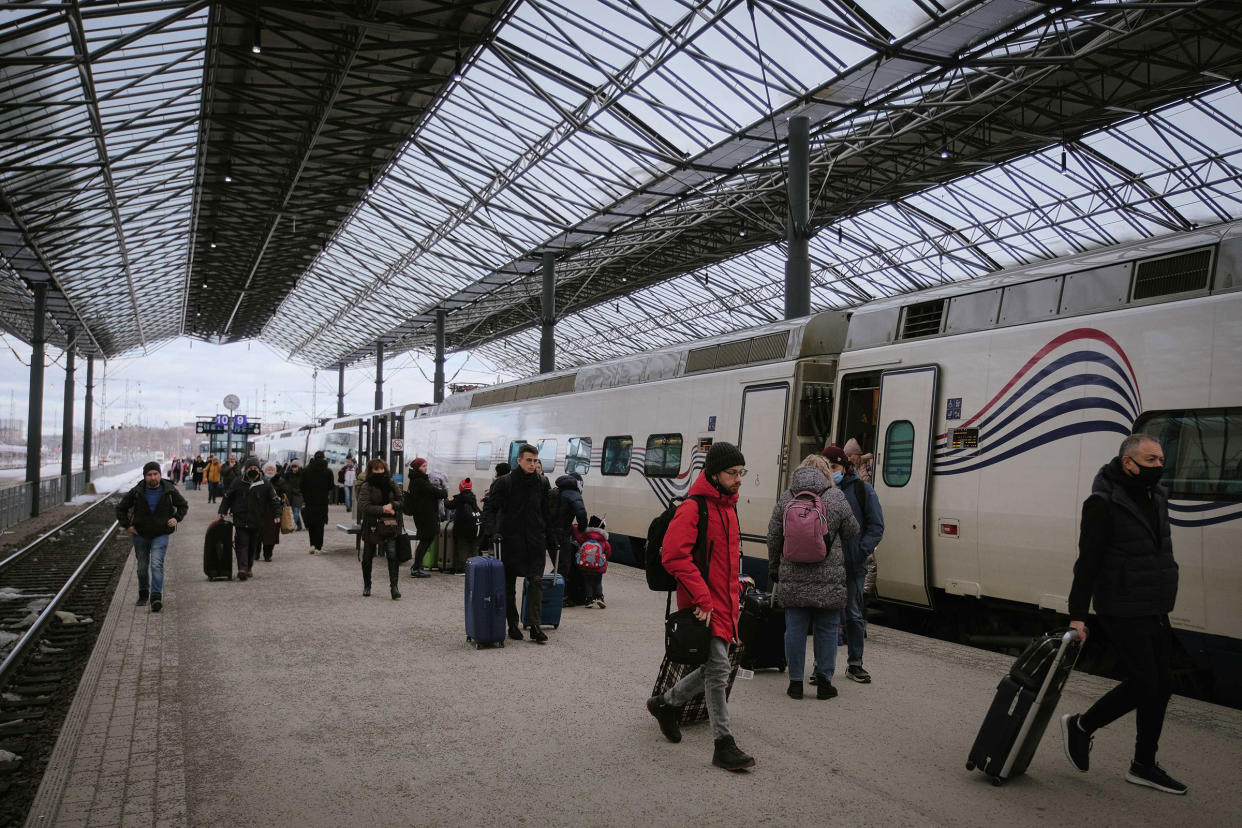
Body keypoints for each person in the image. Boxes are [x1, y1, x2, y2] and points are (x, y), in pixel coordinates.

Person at [1060, 435, 1186, 795]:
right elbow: (1087, 563)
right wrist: (1078, 616)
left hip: (1155, 603)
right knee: (1146, 682)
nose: (1158, 466)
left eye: (1161, 459)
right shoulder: (1102, 503)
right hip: (1120, 605)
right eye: (1150, 460)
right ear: (1128, 462)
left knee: (1162, 686)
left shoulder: (1156, 496)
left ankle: (1143, 765)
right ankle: (1081, 726)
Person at [646, 441, 755, 772]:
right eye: (732, 473)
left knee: (715, 667)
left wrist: (738, 592)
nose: (738, 479)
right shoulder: (694, 508)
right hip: (702, 605)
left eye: (742, 472)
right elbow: (673, 556)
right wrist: (702, 597)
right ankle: (723, 743)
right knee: (719, 668)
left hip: (725, 603)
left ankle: (666, 703)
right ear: (714, 473)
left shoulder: (729, 508)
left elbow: (727, 561)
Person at [766, 459, 859, 700]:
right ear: (827, 472)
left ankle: (795, 683)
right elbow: (852, 531)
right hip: (828, 577)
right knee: (827, 629)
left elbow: (774, 536)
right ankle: (824, 683)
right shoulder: (836, 497)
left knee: (794, 630)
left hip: (792, 575)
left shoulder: (787, 497)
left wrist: (774, 567)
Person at [821, 444, 884, 684]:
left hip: (852, 563)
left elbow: (876, 525)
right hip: (825, 563)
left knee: (854, 614)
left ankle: (855, 663)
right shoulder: (821, 489)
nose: (831, 471)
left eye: (834, 467)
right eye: (827, 467)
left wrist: (860, 551)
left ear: (844, 466)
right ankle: (822, 668)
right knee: (825, 616)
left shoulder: (861, 490)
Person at [482, 446, 556, 644]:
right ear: (519, 461)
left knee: (536, 582)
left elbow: (546, 513)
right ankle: (512, 624)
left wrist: (551, 538)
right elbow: (490, 508)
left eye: (535, 461)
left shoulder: (542, 483)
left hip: (534, 541)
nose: (533, 464)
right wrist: (491, 532)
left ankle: (534, 626)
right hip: (510, 541)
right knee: (508, 585)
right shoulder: (504, 482)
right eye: (529, 460)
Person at [115, 461, 188, 613]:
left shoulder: (169, 490)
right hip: (140, 535)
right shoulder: (136, 491)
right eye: (149, 475)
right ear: (145, 476)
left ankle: (156, 597)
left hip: (161, 534)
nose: (153, 477)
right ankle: (143, 594)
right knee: (142, 567)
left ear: (160, 475)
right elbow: (121, 508)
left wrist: (176, 518)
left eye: (155, 474)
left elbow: (183, 505)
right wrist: (128, 525)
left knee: (156, 564)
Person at [218, 457, 281, 580]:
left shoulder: (265, 484)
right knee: (242, 544)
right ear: (246, 470)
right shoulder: (238, 482)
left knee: (252, 545)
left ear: (259, 470)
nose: (253, 470)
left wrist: (277, 514)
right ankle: (242, 569)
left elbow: (274, 500)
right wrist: (222, 511)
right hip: (241, 519)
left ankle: (249, 567)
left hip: (257, 520)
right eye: (250, 468)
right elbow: (228, 497)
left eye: (255, 468)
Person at [357, 457, 403, 599]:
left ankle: (394, 587)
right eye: (376, 469)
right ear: (371, 470)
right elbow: (363, 506)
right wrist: (383, 509)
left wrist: (393, 506)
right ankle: (367, 585)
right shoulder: (367, 486)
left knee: (392, 555)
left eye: (381, 468)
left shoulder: (391, 482)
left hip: (389, 525)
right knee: (367, 557)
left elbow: (401, 500)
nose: (380, 471)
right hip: (372, 525)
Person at [843, 438, 878, 597]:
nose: (849, 459)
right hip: (855, 523)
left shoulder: (864, 469)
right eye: (847, 456)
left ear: (857, 455)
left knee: (869, 560)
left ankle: (864, 593)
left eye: (851, 455)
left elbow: (866, 485)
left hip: (861, 523)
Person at [403, 457, 447, 578]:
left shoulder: (418, 479)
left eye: (426, 465)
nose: (425, 468)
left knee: (427, 539)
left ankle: (417, 565)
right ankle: (416, 568)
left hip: (425, 515)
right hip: (424, 516)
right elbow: (438, 493)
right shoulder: (419, 481)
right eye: (423, 466)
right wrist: (443, 490)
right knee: (425, 540)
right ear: (417, 468)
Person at [553, 471, 588, 606]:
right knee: (564, 565)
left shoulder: (558, 490)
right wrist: (582, 528)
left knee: (559, 564)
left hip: (552, 533)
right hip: (563, 534)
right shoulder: (574, 494)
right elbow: (581, 513)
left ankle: (557, 592)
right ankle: (557, 595)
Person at [301, 451, 335, 554]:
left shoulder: (306, 470)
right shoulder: (328, 471)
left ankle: (312, 544)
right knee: (320, 525)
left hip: (309, 502)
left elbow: (301, 486)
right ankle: (318, 547)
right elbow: (331, 486)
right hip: (322, 502)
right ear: (324, 458)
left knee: (311, 524)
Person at [445, 479, 482, 573]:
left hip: (463, 528)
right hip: (475, 528)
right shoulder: (472, 497)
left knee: (462, 547)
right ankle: (474, 567)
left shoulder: (460, 498)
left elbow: (449, 505)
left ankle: (461, 568)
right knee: (473, 547)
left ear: (461, 487)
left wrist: (444, 497)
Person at [574, 515, 611, 608]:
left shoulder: (585, 537)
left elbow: (578, 539)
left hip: (585, 566)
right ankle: (599, 597)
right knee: (598, 582)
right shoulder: (604, 541)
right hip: (598, 566)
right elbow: (608, 552)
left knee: (588, 582)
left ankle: (589, 599)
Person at [285, 459, 305, 531]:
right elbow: (282, 476)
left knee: (296, 510)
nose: (294, 468)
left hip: (299, 494)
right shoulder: (288, 474)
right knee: (294, 511)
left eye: (295, 466)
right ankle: (299, 526)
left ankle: (292, 526)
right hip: (291, 494)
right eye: (293, 466)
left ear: (298, 467)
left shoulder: (302, 474)